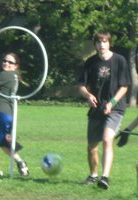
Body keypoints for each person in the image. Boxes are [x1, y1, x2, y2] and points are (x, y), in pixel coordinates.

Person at [78, 31, 131, 189]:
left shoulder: (120, 61)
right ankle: (93, 175)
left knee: (108, 140)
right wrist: (88, 95)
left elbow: (124, 86)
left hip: (115, 108)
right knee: (92, 146)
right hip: (96, 108)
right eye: (99, 42)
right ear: (95, 44)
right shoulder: (90, 62)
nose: (102, 44)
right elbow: (81, 85)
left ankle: (105, 177)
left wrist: (112, 102)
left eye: (105, 41)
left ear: (109, 43)